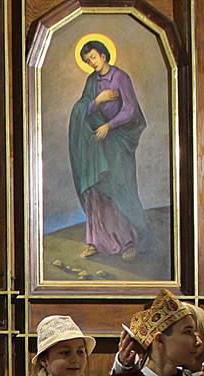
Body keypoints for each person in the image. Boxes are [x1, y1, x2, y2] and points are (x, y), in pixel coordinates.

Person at [67, 39, 151, 262]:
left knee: (119, 187)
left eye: (93, 57)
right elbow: (82, 108)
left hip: (118, 141)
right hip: (99, 144)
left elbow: (131, 110)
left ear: (104, 55)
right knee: (97, 189)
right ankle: (97, 241)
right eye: (87, 60)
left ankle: (128, 242)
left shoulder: (120, 77)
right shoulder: (91, 81)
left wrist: (109, 125)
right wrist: (97, 100)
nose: (91, 62)